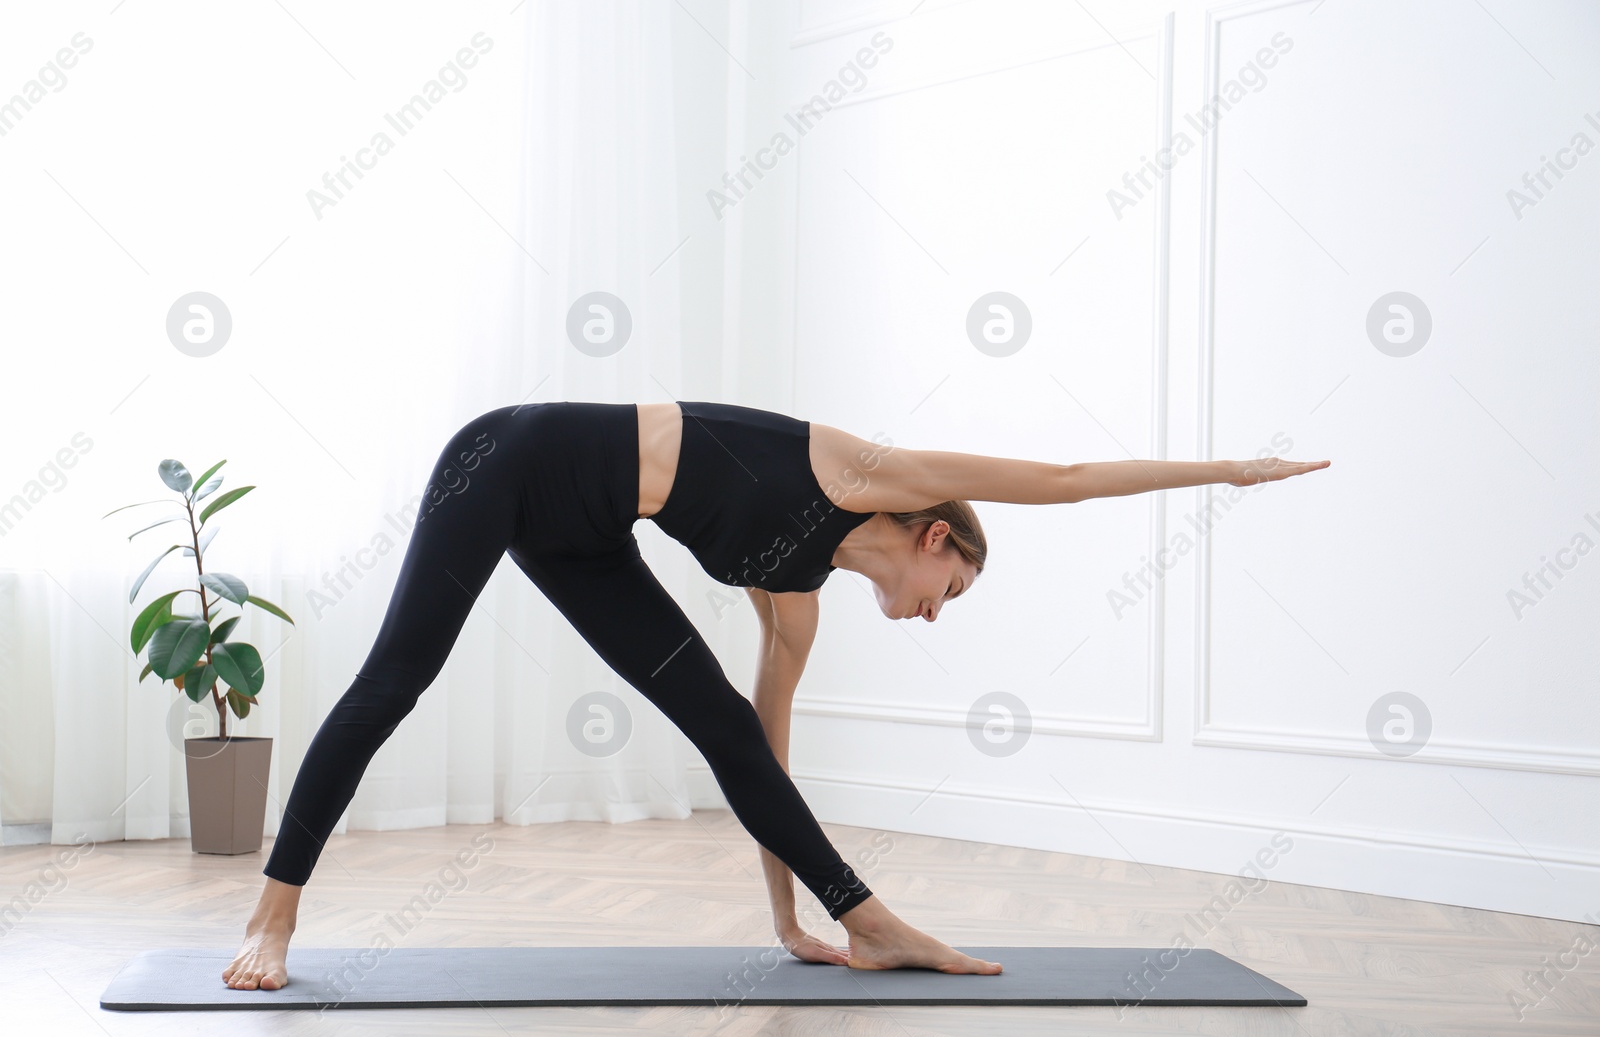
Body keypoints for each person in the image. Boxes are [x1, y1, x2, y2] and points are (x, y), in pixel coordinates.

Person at [223, 399, 1329, 990]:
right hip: (505, 457)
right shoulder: (865, 473)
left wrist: (785, 911)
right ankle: (274, 913)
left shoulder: (794, 590)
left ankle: (871, 922)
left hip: (587, 537)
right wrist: (1231, 472)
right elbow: (1067, 483)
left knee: (723, 729)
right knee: (395, 681)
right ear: (934, 535)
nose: (940, 609)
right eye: (952, 586)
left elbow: (761, 757)